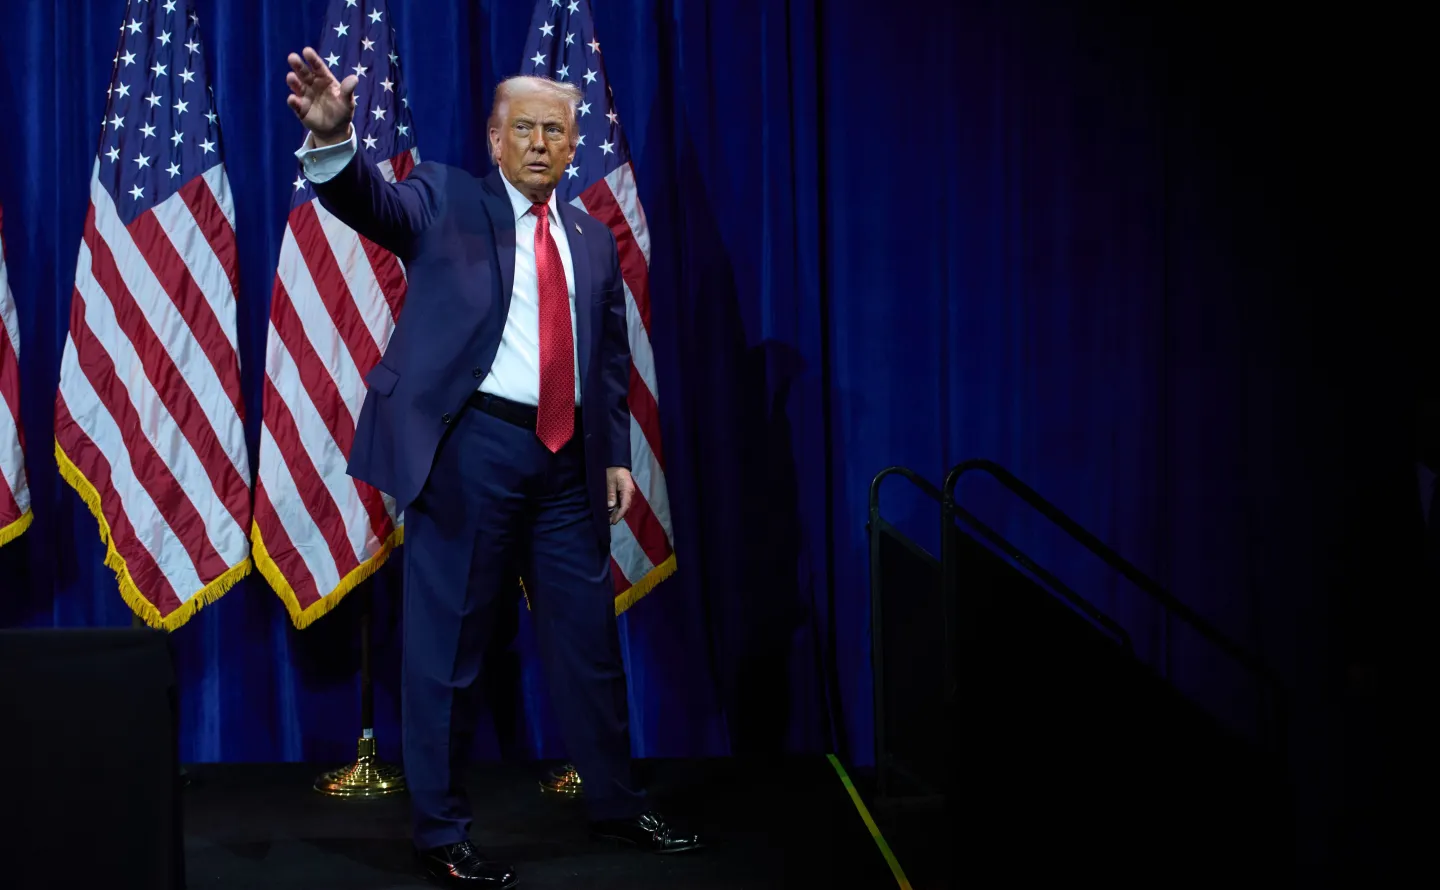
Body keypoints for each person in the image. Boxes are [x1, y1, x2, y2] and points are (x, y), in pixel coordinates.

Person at [283, 48, 701, 888]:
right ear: (495, 137)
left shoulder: (589, 236)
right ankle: (441, 832)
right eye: (525, 129)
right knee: (450, 651)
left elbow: (608, 361)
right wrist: (333, 143)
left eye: (555, 129)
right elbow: (366, 200)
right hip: (469, 450)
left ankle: (617, 806)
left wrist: (614, 456)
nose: (540, 142)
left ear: (575, 142)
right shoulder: (443, 199)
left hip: (566, 463)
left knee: (588, 643)